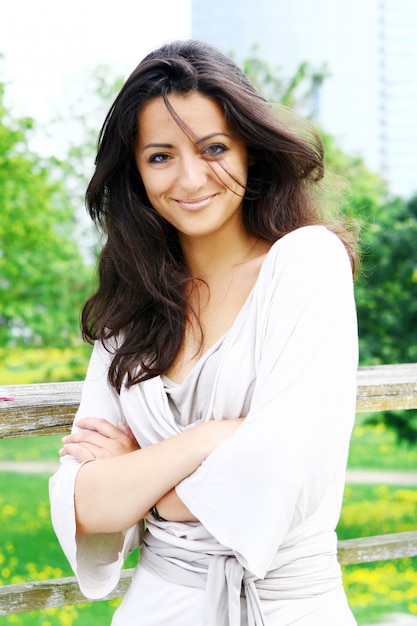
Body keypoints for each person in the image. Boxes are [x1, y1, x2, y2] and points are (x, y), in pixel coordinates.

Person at [49, 39, 359, 625]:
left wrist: (144, 484)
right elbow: (85, 502)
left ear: (250, 152)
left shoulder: (306, 263)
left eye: (213, 148)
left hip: (286, 608)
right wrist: (207, 440)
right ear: (135, 172)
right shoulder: (132, 304)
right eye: (160, 156)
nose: (190, 178)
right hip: (156, 609)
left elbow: (276, 472)